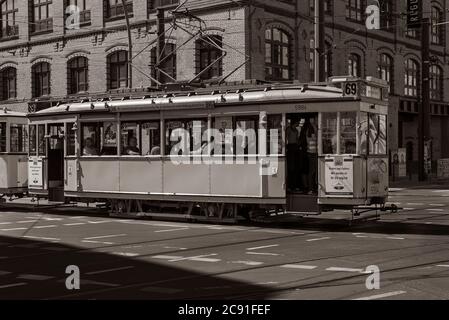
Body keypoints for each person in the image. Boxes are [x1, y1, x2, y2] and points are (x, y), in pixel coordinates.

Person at [286, 119, 300, 191]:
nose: (299, 123)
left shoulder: (296, 130)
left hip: (295, 147)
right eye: (298, 122)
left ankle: (294, 185)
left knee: (295, 167)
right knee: (291, 167)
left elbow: (296, 139)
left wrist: (298, 145)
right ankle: (290, 186)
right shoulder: (289, 129)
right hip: (290, 147)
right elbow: (286, 139)